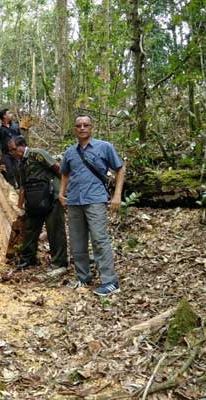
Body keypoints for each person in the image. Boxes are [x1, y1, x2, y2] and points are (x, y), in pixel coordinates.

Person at [59, 115, 125, 296]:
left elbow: (120, 168)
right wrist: (61, 193)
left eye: (85, 125)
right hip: (74, 201)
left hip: (95, 199)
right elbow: (64, 173)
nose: (82, 128)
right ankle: (83, 277)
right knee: (77, 240)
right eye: (78, 125)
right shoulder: (70, 152)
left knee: (99, 239)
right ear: (75, 128)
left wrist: (117, 195)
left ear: (91, 127)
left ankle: (110, 281)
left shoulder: (104, 147)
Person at [8, 136, 68, 273]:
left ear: (22, 145)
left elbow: (58, 169)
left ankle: (59, 263)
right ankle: (28, 259)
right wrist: (19, 207)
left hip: (51, 197)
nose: (12, 153)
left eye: (14, 149)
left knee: (55, 230)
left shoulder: (37, 154)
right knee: (30, 229)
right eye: (10, 151)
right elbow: (23, 186)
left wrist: (63, 192)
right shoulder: (20, 163)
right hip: (34, 201)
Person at [0, 108, 21, 187]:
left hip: (17, 154)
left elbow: (21, 140)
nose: (11, 115)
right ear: (4, 116)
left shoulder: (15, 127)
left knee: (19, 172)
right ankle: (12, 191)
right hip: (6, 155)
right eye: (9, 113)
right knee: (10, 173)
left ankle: (21, 191)